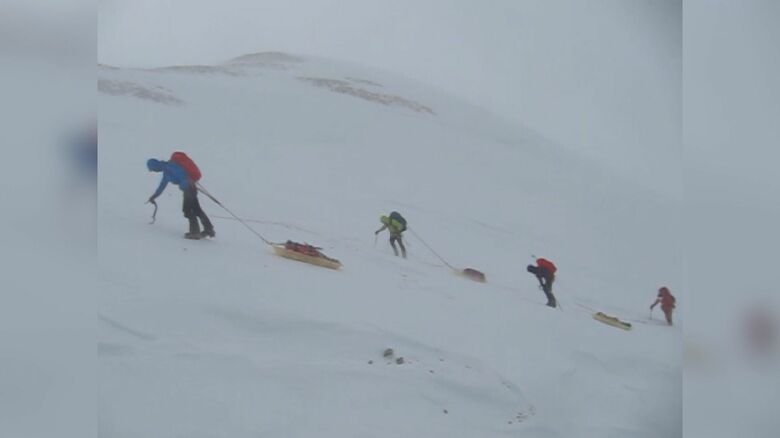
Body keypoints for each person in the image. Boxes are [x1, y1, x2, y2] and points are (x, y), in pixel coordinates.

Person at [146, 157, 214, 239]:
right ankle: (209, 229)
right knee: (196, 209)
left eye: (153, 169)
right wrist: (154, 196)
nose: (154, 171)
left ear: (155, 166)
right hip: (190, 188)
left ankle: (194, 232)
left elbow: (182, 175)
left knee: (187, 210)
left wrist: (186, 183)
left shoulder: (170, 167)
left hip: (188, 189)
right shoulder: (167, 171)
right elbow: (162, 186)